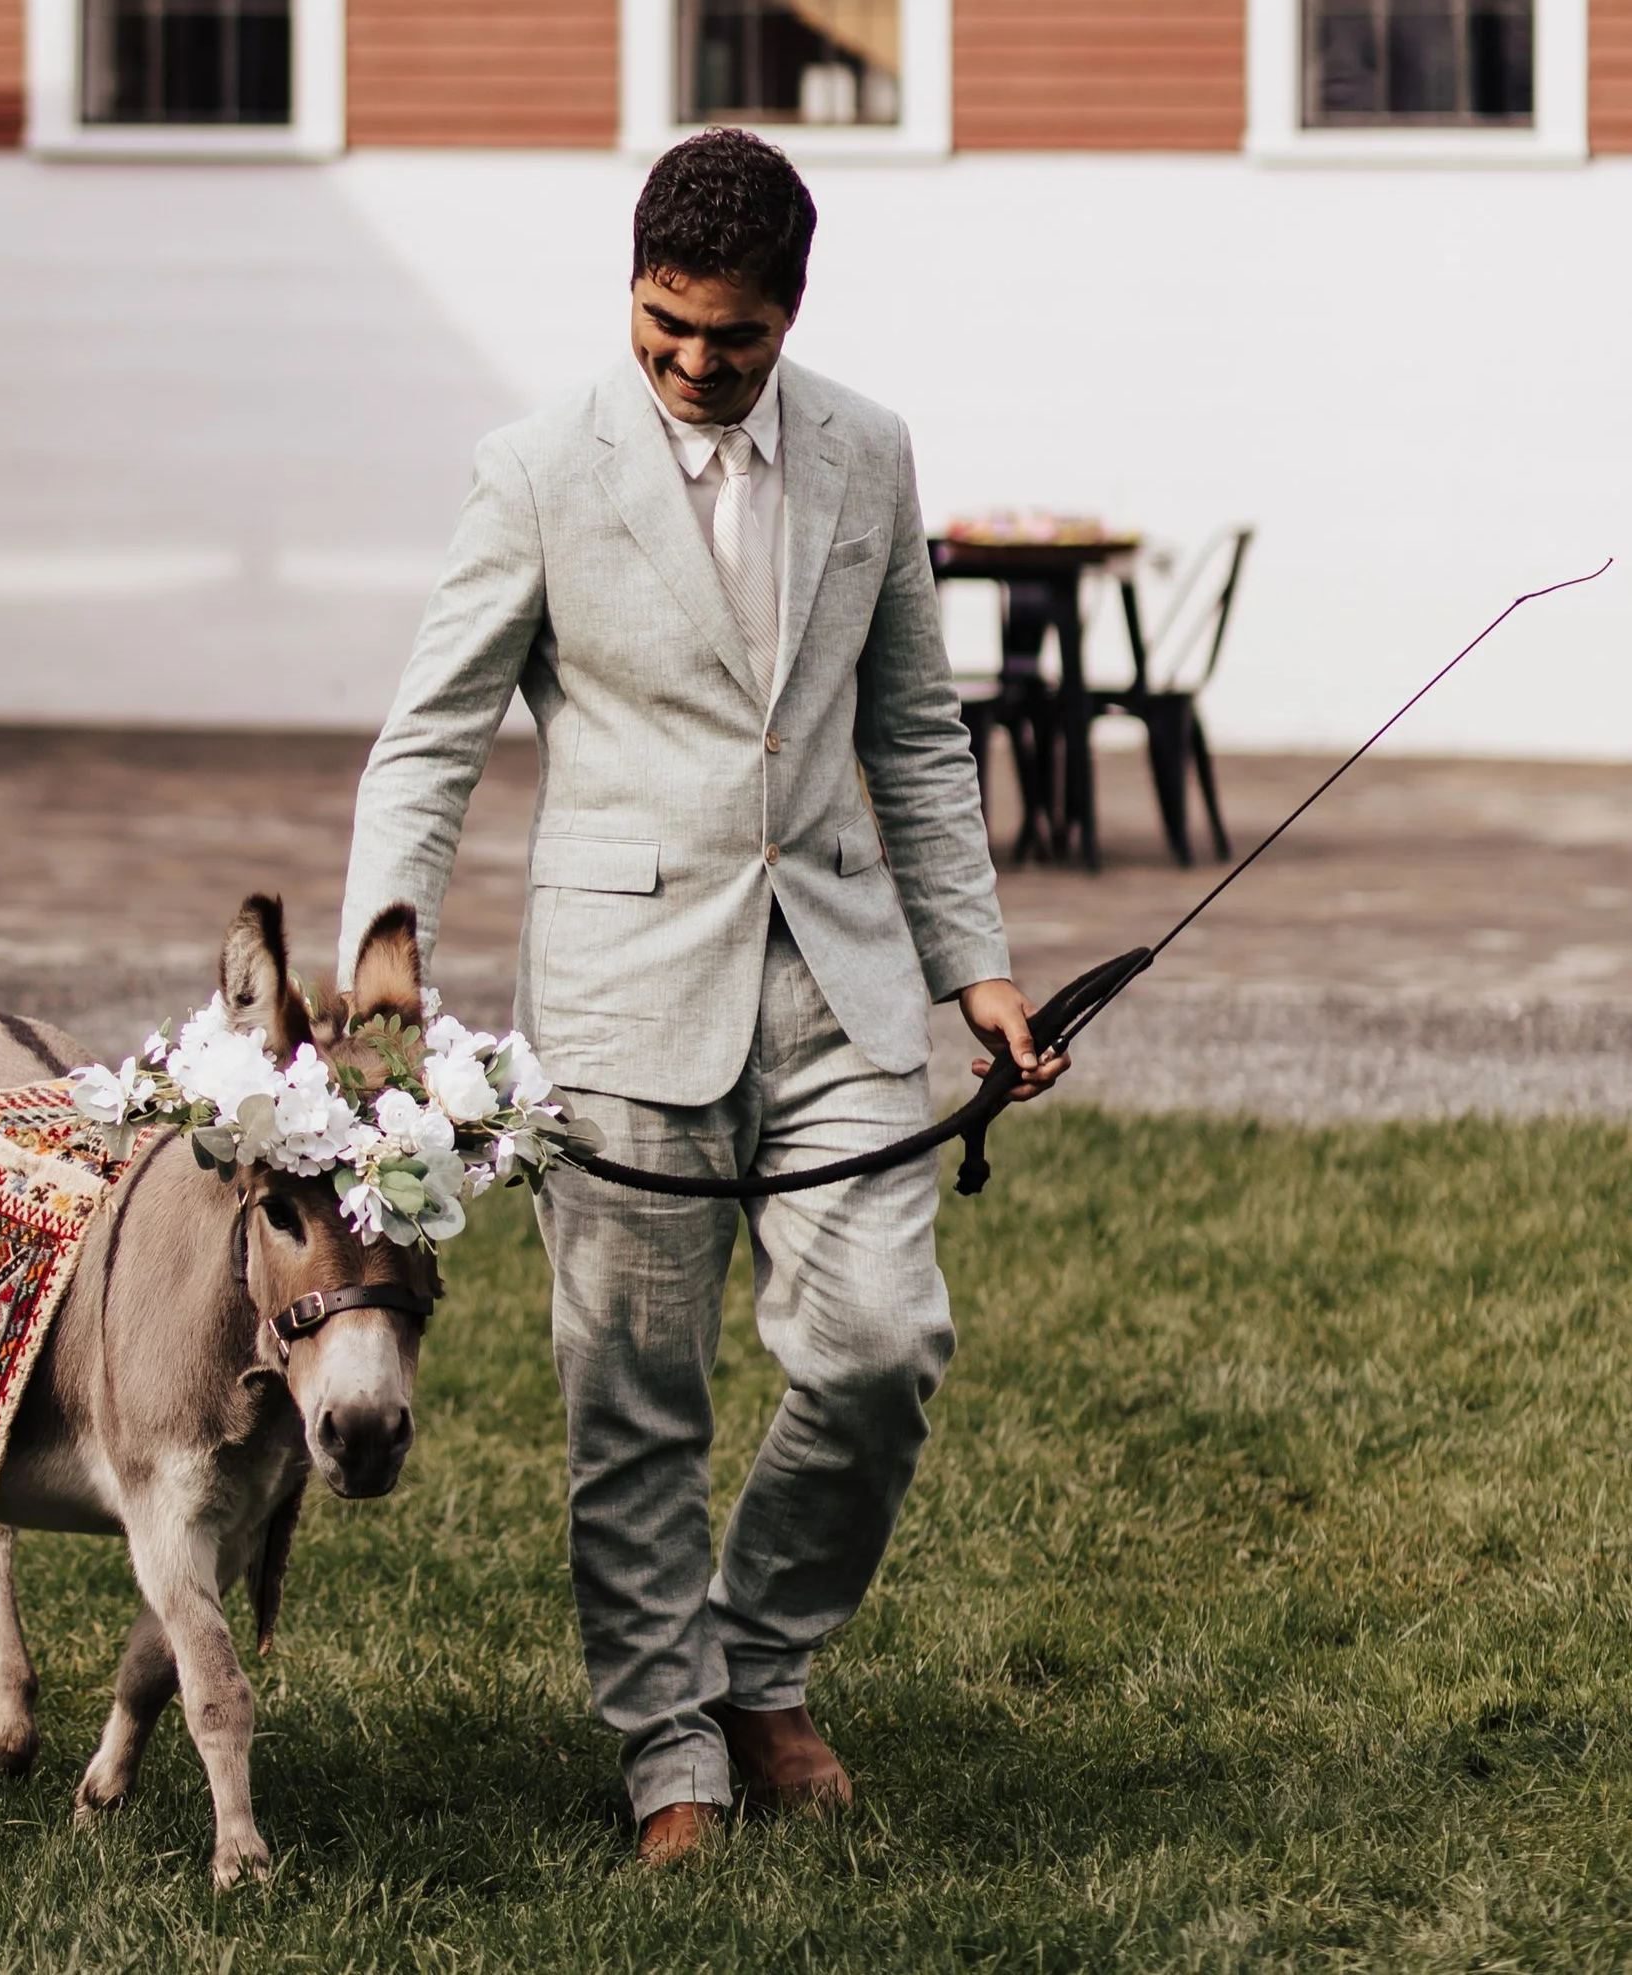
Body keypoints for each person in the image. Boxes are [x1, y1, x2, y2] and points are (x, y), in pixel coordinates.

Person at [336, 128, 1068, 1865]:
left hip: (839, 980)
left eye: (728, 337)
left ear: (789, 310)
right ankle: (672, 1745)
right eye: (664, 325)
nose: (690, 362)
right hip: (618, 996)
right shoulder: (531, 470)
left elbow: (913, 730)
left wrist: (976, 961)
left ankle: (758, 1656)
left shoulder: (871, 455)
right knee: (635, 1403)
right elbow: (434, 726)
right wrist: (389, 927)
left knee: (884, 1343)